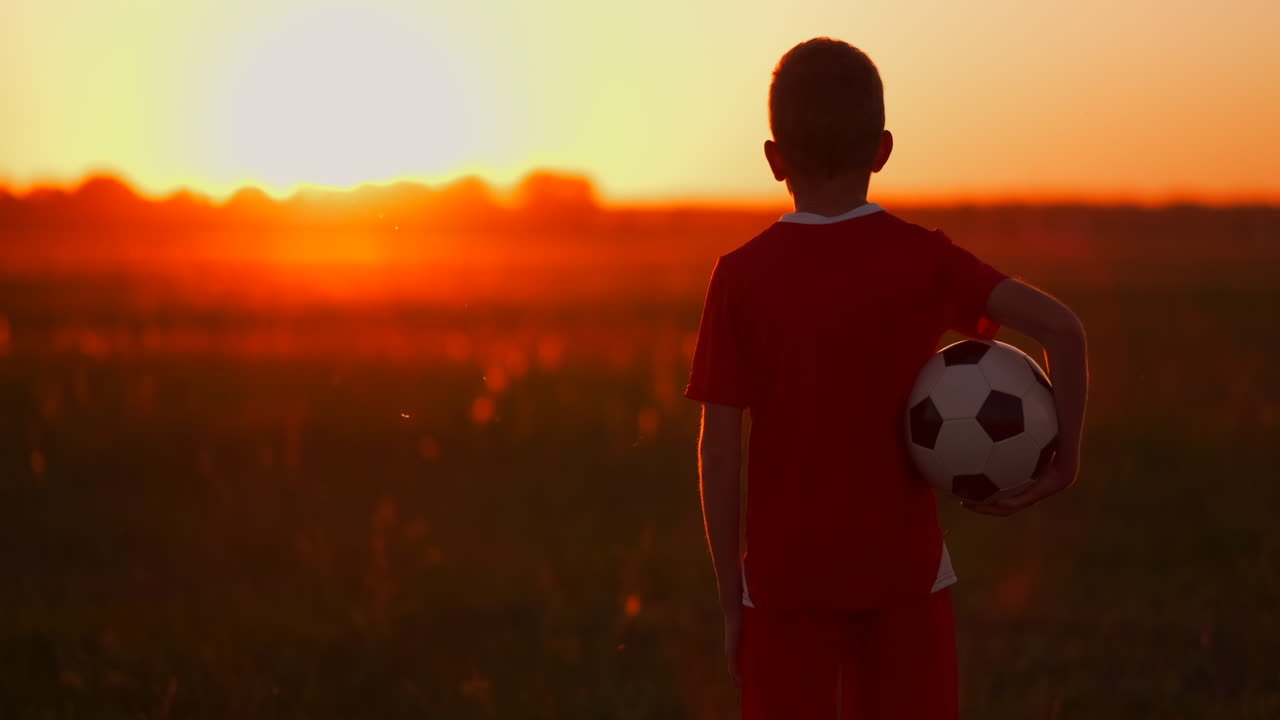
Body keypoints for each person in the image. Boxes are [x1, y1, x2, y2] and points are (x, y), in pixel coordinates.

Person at [685, 38, 1089, 719]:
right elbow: (1064, 331)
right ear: (883, 149)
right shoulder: (923, 259)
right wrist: (1064, 463)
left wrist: (733, 598)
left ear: (774, 159)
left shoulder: (740, 277)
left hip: (785, 586)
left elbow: (719, 452)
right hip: (908, 576)